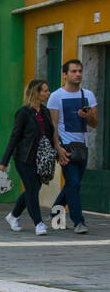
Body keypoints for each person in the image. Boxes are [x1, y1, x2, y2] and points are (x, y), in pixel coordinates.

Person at [1, 79, 64, 236]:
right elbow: (14, 137)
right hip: (24, 158)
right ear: (36, 93)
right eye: (45, 90)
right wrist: (4, 161)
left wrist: (56, 151)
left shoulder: (45, 111)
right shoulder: (23, 113)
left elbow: (50, 134)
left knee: (32, 189)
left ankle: (13, 216)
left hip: (41, 159)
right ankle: (39, 223)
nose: (48, 93)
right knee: (32, 189)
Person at [49, 58, 98, 234]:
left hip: (82, 148)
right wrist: (58, 148)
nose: (78, 74)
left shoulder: (88, 95)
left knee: (73, 184)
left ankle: (55, 212)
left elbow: (95, 123)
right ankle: (79, 222)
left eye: (80, 71)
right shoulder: (56, 96)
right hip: (66, 147)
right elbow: (52, 125)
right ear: (64, 75)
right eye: (73, 71)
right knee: (74, 182)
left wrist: (87, 117)